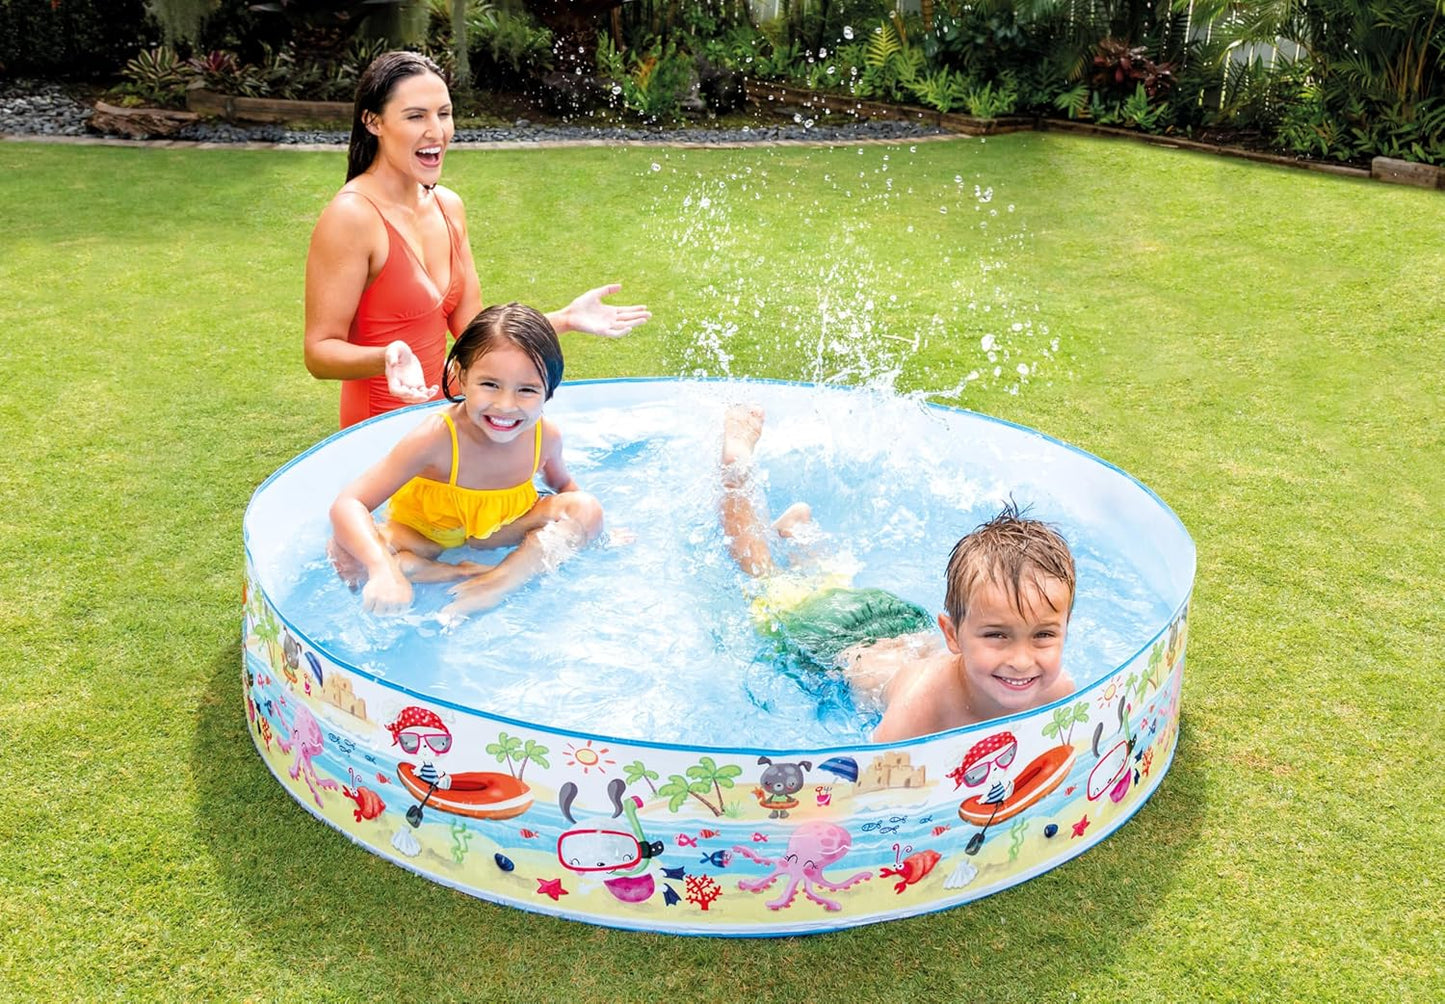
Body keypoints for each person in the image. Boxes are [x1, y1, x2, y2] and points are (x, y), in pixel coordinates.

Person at [304, 50, 650, 429]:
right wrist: (386, 356)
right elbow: (319, 352)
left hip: (454, 420)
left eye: (444, 113)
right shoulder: (352, 217)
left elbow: (476, 336)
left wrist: (563, 319)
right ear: (373, 121)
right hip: (382, 432)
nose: (436, 131)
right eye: (416, 116)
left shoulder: (448, 206)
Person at [718, 405, 1076, 742]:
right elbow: (874, 784)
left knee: (830, 582)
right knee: (764, 580)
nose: (1021, 660)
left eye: (1043, 634)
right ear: (953, 636)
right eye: (998, 636)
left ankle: (798, 534)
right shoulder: (920, 706)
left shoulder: (1056, 691)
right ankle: (736, 471)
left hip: (898, 624)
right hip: (832, 638)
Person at [329, 303, 602, 622]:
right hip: (424, 534)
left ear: (549, 392)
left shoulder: (545, 436)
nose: (505, 406)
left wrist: (591, 531)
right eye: (490, 385)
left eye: (527, 390)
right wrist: (380, 569)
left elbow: (563, 488)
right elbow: (349, 503)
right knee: (346, 554)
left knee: (588, 510)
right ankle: (440, 570)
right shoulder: (437, 437)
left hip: (498, 530)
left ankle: (500, 582)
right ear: (461, 375)